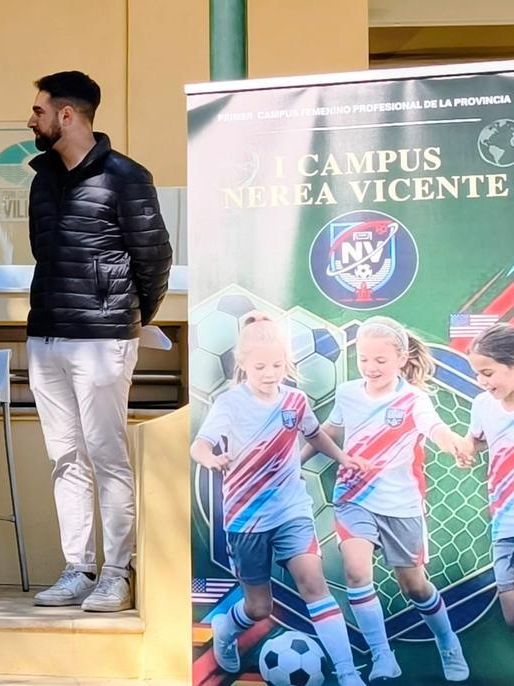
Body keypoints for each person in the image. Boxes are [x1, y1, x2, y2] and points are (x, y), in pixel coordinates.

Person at [24, 70, 172, 611]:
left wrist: (128, 317)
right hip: (45, 334)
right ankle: (78, 568)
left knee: (106, 454)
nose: (31, 119)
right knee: (65, 457)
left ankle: (116, 571)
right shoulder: (42, 180)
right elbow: (46, 252)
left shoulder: (126, 177)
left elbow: (154, 258)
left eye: (38, 111)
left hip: (103, 337)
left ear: (68, 114)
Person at [191, 314, 367, 686]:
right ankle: (225, 629)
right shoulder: (229, 404)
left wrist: (342, 457)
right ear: (242, 365)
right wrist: (211, 458)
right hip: (246, 520)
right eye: (260, 366)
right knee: (259, 607)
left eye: (277, 365)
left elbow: (315, 435)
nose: (270, 373)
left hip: (292, 511)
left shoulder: (296, 401)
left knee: (314, 586)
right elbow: (200, 444)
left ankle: (349, 673)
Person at [315, 316, 471, 682]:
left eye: (380, 360)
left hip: (401, 505)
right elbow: (329, 432)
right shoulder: (347, 393)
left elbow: (436, 430)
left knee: (414, 587)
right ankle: (383, 655)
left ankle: (448, 640)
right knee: (356, 571)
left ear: (401, 359)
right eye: (363, 359)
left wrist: (455, 448)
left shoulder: (414, 399)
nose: (370, 368)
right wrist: (289, 464)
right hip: (353, 497)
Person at [458, 323, 514, 631]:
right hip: (504, 523)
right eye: (477, 374)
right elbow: (475, 439)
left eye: (488, 373)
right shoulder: (482, 405)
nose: (481, 382)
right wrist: (465, 448)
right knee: (511, 616)